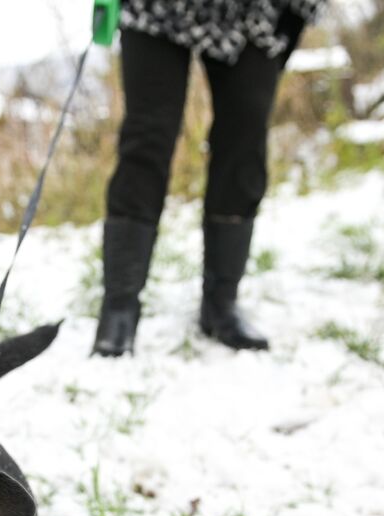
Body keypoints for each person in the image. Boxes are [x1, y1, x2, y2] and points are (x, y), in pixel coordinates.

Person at [92, 0, 327, 357]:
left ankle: (221, 305)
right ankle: (119, 308)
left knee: (244, 144)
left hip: (255, 13)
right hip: (155, 8)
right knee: (147, 140)